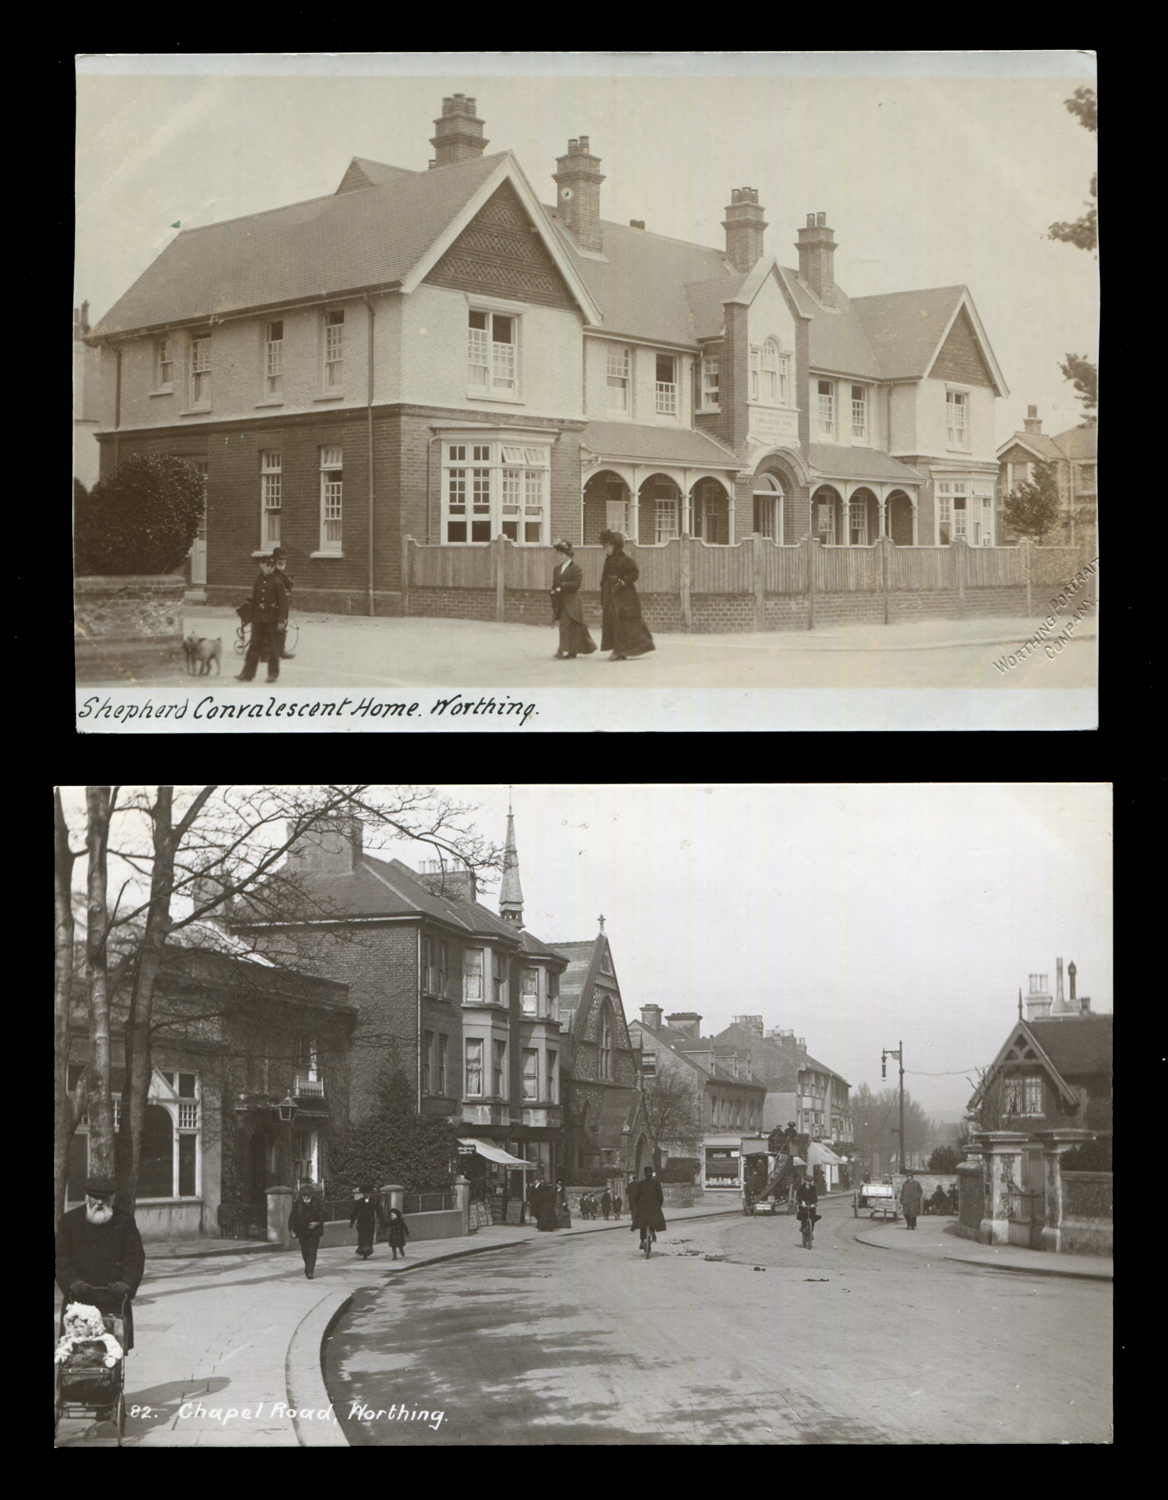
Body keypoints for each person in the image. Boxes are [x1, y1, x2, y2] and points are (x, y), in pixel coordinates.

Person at [56, 1174, 146, 1357]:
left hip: (113, 1298)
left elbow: (135, 1257)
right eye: (94, 1197)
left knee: (112, 1354)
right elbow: (60, 1258)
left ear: (111, 1198)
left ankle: (112, 1386)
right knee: (74, 1355)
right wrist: (71, 1282)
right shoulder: (69, 1221)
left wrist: (126, 1283)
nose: (99, 1202)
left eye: (104, 1198)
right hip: (78, 1300)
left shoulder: (124, 1221)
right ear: (87, 1197)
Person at [599, 530, 655, 661]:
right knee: (612, 621)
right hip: (611, 594)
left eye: (608, 547)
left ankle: (620, 651)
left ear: (616, 546)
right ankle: (617, 648)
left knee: (624, 623)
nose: (606, 549)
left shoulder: (626, 560)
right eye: (605, 547)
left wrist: (622, 581)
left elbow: (634, 574)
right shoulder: (608, 561)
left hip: (625, 596)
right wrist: (604, 592)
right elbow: (604, 578)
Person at [235, 554, 288, 683]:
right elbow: (254, 602)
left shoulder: (277, 582)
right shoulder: (258, 582)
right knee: (254, 646)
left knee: (273, 647)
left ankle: (273, 674)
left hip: (272, 619)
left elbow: (283, 603)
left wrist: (281, 620)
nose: (269, 568)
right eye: (267, 566)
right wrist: (252, 619)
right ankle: (247, 673)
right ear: (261, 565)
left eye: (272, 566)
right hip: (258, 619)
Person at [550, 539, 597, 659]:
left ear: (568, 555)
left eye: (562, 554)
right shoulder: (556, 568)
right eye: (559, 554)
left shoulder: (576, 568)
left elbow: (577, 584)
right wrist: (553, 590)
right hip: (561, 601)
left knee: (569, 625)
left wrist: (562, 586)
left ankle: (568, 651)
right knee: (564, 625)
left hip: (573, 600)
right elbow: (555, 583)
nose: (560, 557)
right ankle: (567, 650)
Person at [289, 1183, 325, 1278]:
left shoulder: (318, 1202)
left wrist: (317, 1223)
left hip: (314, 1231)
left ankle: (310, 1271)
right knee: (305, 1251)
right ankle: (308, 1267)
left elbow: (325, 1214)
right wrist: (291, 1230)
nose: (306, 1197)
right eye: (304, 1195)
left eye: (308, 1195)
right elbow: (292, 1217)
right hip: (302, 1231)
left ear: (312, 1195)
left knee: (312, 1251)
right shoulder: (298, 1204)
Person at [629, 1166, 666, 1250]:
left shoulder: (641, 1183)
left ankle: (642, 1240)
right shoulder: (656, 1183)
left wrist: (637, 1205)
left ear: (645, 1174)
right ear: (652, 1173)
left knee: (643, 1224)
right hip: (654, 1206)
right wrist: (658, 1206)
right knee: (653, 1220)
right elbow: (660, 1196)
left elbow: (636, 1197)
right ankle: (652, 1232)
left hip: (643, 1207)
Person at [349, 1185, 385, 1260]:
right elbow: (355, 1211)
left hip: (370, 1221)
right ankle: (362, 1249)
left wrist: (382, 1221)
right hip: (361, 1221)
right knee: (362, 1236)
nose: (366, 1194)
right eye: (364, 1193)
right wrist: (352, 1221)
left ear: (370, 1193)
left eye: (367, 1193)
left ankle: (367, 1249)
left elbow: (379, 1212)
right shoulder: (360, 1202)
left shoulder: (373, 1202)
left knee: (369, 1235)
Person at [271, 547, 295, 659]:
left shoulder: (280, 573)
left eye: (284, 559)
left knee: (282, 626)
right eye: (280, 559)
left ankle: (280, 650)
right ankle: (274, 651)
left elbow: (289, 583)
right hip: (273, 605)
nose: (282, 561)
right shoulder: (272, 572)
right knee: (274, 627)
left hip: (282, 605)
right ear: (274, 559)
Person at [795, 1174, 819, 1242]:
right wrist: (802, 1202)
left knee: (813, 1218)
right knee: (804, 1216)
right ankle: (803, 1226)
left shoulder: (813, 1188)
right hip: (803, 1205)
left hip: (811, 1205)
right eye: (807, 1181)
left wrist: (812, 1203)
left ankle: (811, 1231)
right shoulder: (801, 1188)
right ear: (805, 1181)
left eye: (810, 1181)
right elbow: (799, 1196)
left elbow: (815, 1197)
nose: (808, 1182)